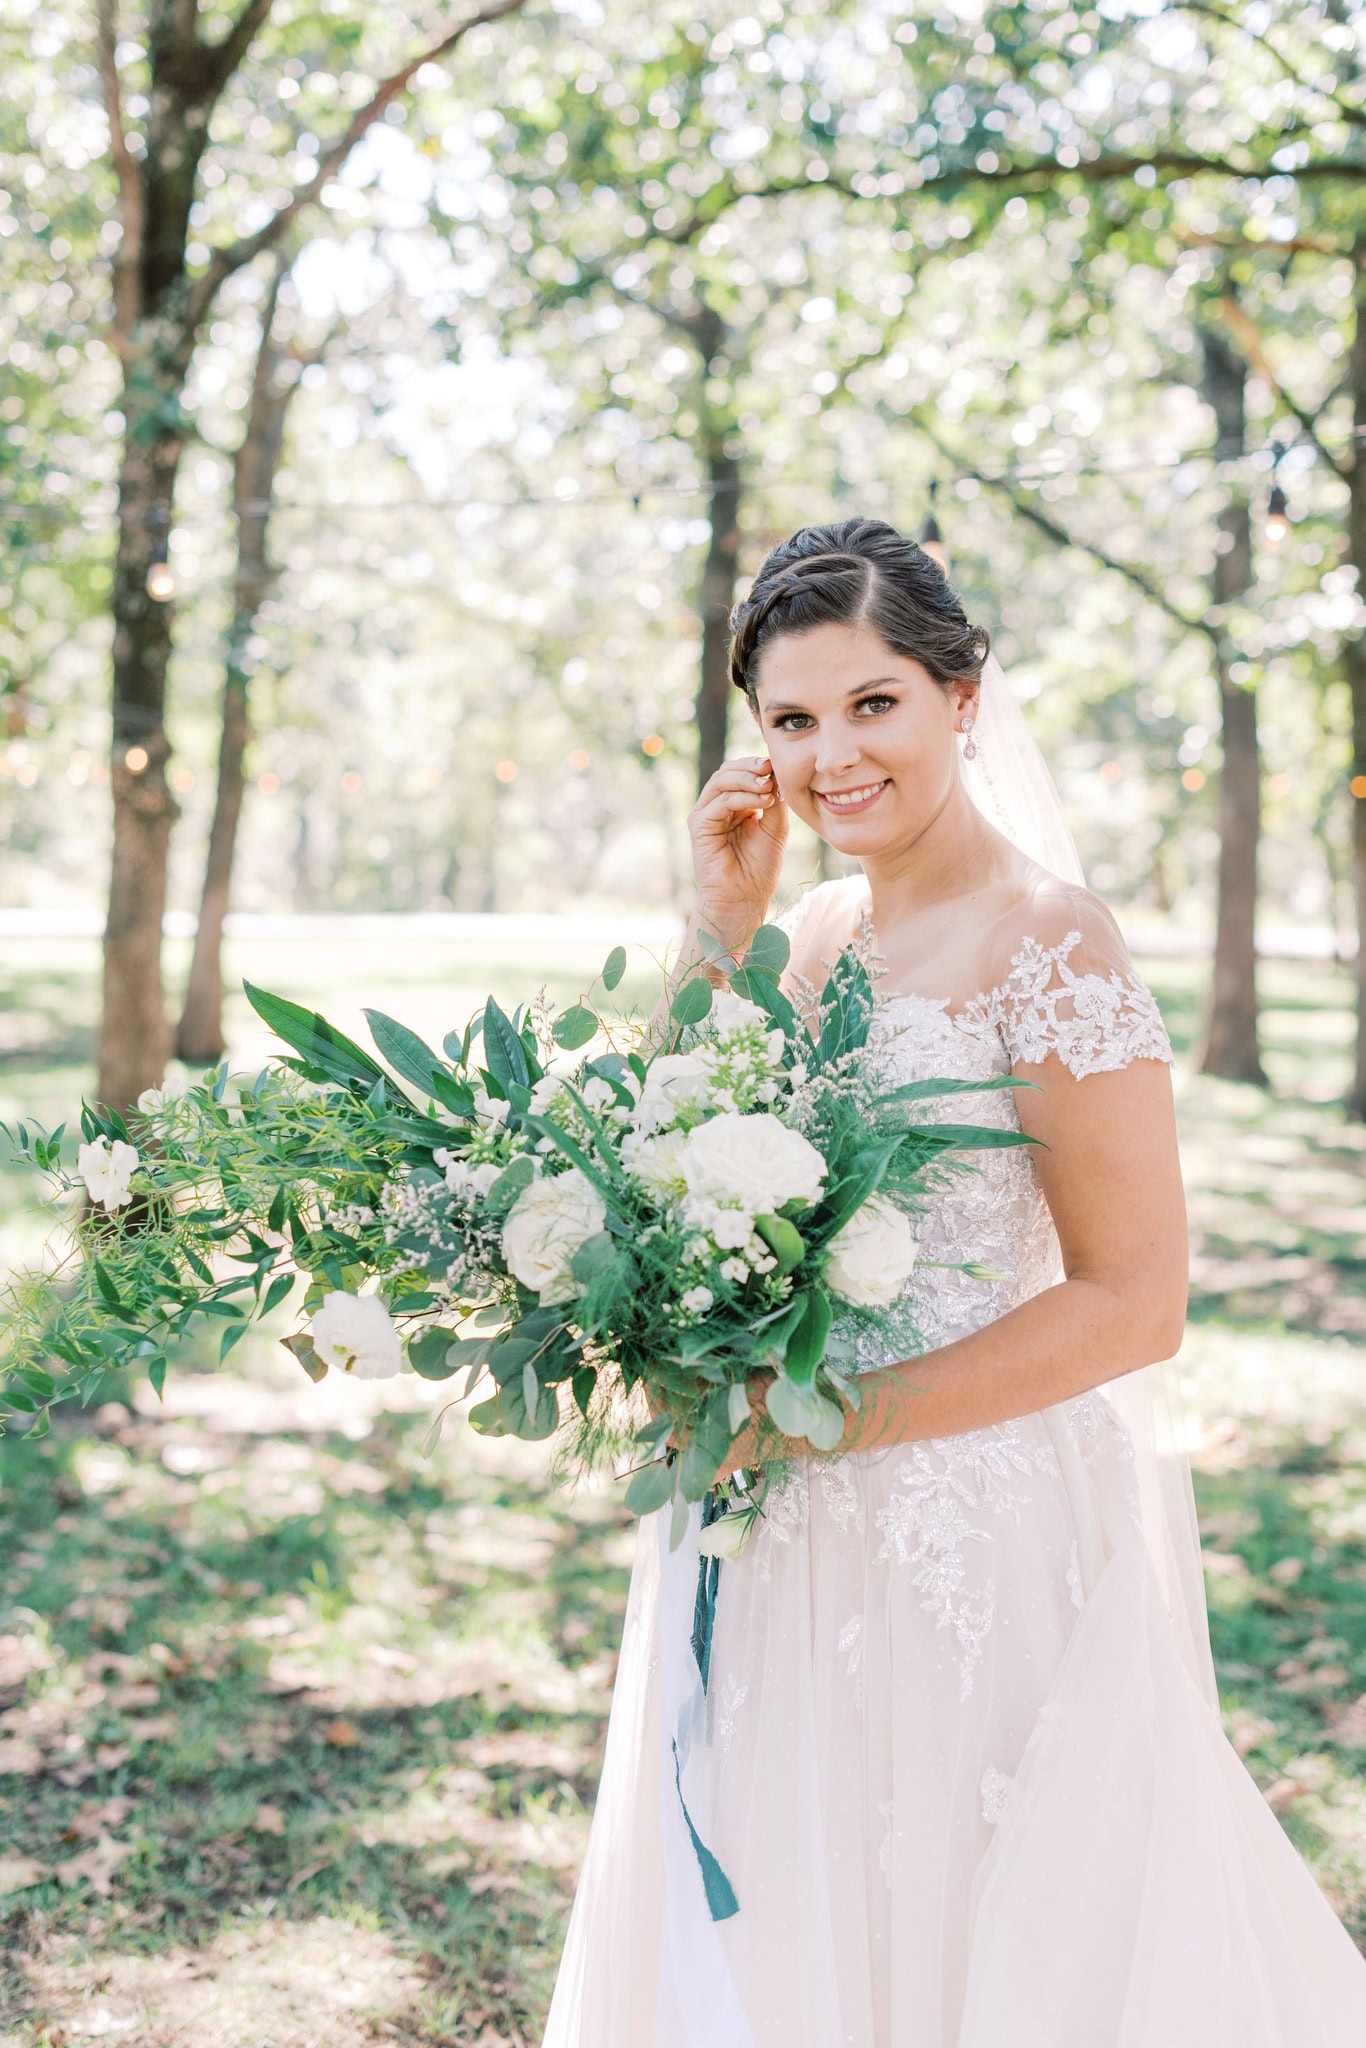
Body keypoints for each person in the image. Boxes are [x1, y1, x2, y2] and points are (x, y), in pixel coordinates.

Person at [542, 519, 1366, 2046]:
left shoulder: (1048, 940)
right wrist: (718, 928)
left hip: (973, 1533)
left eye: (874, 704)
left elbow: (1134, 1300)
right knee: (799, 1919)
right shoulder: (810, 934)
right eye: (792, 720)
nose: (832, 757)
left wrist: (838, 1418)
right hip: (784, 1528)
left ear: (961, 696)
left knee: (979, 1931)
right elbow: (668, 1176)